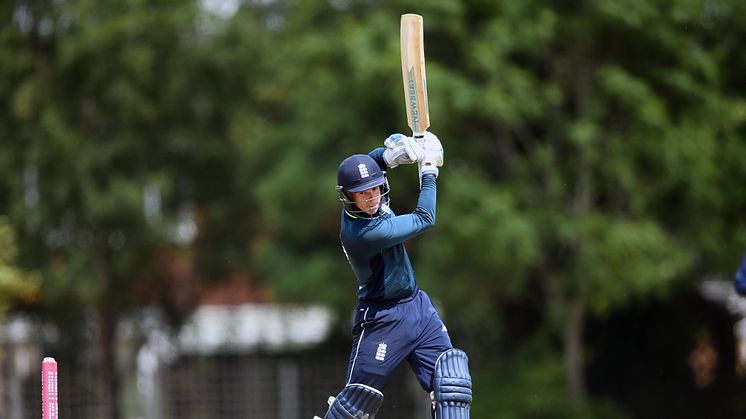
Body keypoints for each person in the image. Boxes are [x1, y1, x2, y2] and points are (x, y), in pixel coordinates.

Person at [314, 133, 472, 418]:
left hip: (418, 308)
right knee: (355, 405)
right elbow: (426, 217)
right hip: (381, 319)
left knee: (453, 385)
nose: (371, 198)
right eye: (362, 194)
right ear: (347, 196)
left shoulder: (367, 195)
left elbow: (372, 164)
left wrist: (392, 156)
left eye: (375, 189)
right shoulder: (364, 233)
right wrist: (428, 170)